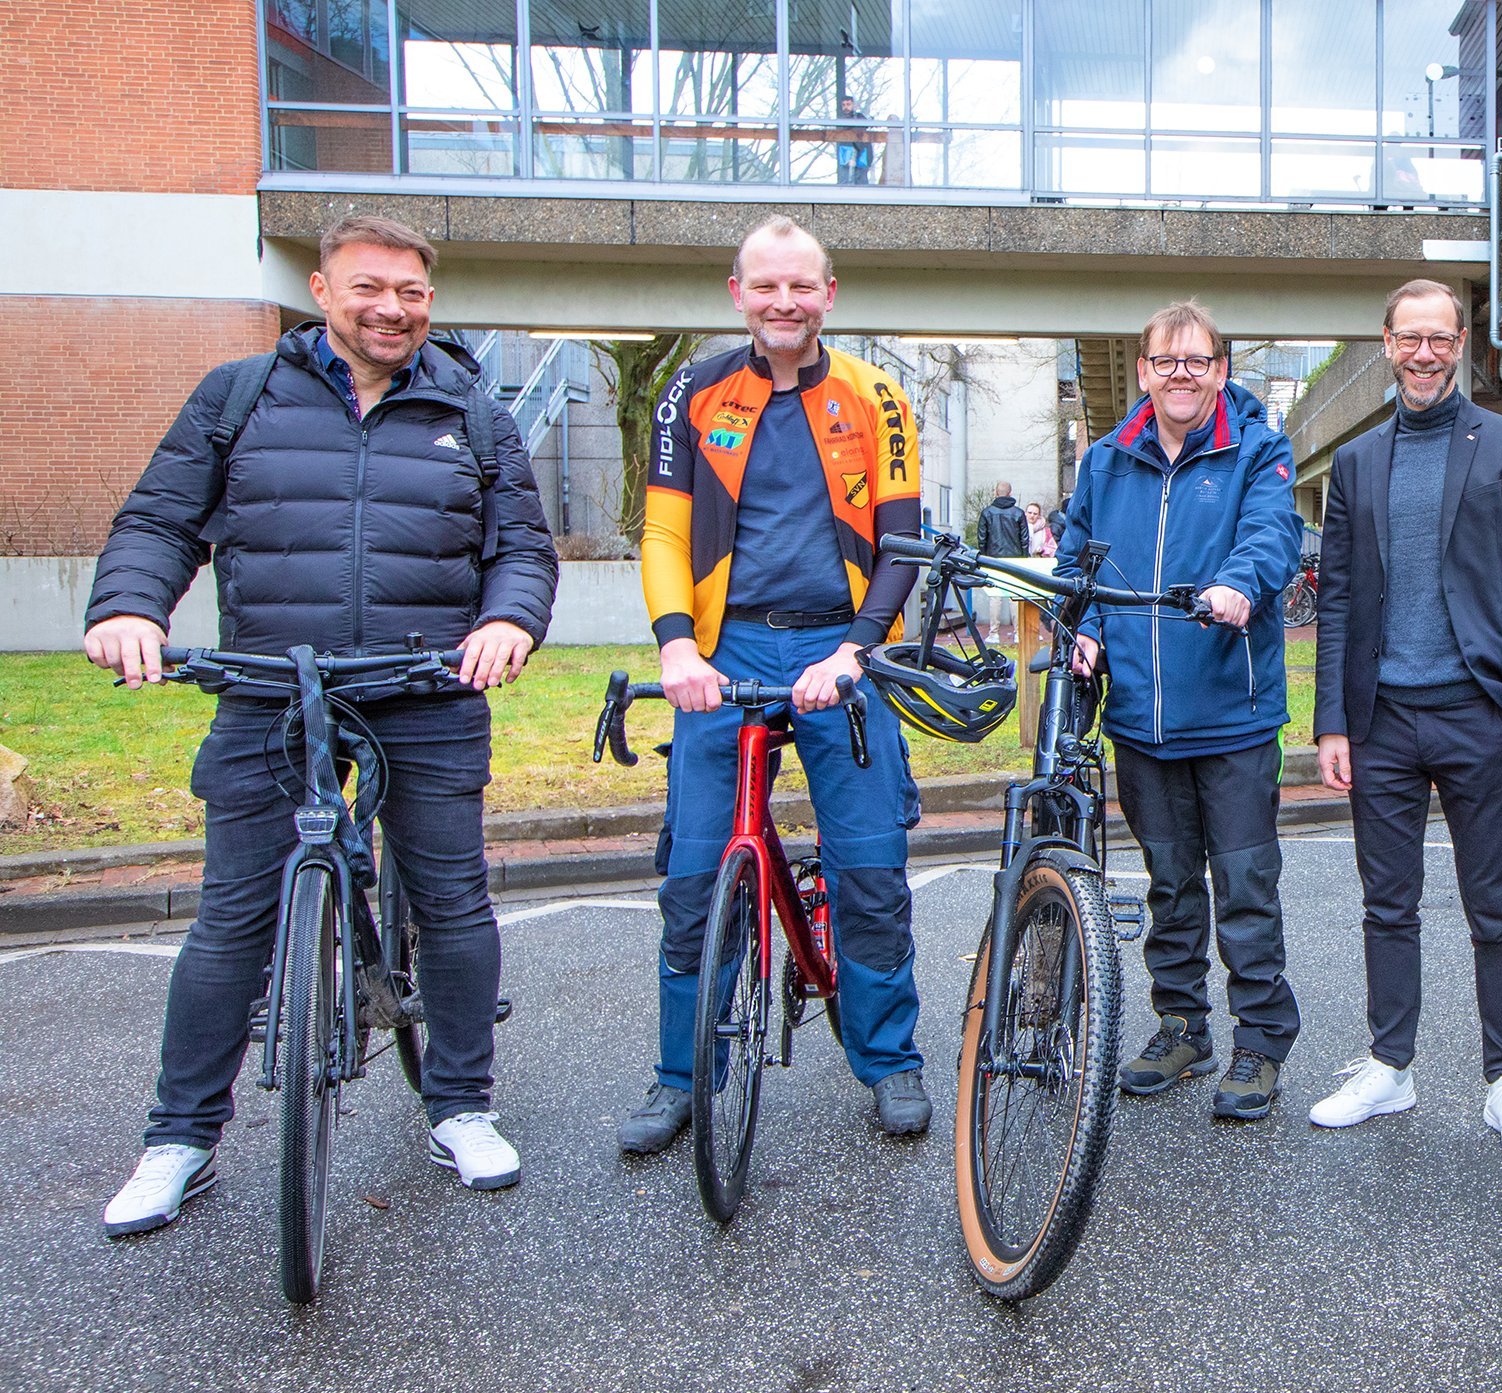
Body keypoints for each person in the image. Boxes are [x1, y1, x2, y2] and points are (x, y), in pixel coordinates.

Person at [85, 215, 558, 1234]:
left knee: (455, 899)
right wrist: (129, 605)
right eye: (369, 287)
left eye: (412, 292)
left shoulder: (471, 409)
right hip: (271, 684)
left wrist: (508, 621)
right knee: (231, 920)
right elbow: (160, 519)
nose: (391, 308)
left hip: (423, 688)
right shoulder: (239, 395)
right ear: (321, 289)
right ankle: (180, 1138)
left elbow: (521, 546)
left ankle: (462, 1105)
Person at [621, 215, 929, 1152]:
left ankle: (889, 1058)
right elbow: (666, 532)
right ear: (737, 293)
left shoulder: (877, 395)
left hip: (842, 645)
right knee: (691, 880)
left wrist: (856, 653)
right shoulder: (691, 391)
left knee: (869, 869)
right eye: (766, 287)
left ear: (828, 294)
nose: (783, 302)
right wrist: (678, 649)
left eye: (801, 286)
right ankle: (684, 1072)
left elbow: (902, 541)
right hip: (727, 649)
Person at [1308, 280, 1502, 1157]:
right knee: (1388, 904)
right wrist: (1331, 722)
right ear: (1385, 342)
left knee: (1495, 905)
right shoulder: (1355, 461)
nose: (1424, 352)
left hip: (1474, 711)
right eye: (1408, 337)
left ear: (1460, 344)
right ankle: (1390, 1065)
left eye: (1439, 338)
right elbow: (1335, 595)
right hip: (1379, 720)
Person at [1055, 299, 1303, 1121]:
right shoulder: (1103, 462)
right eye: (1166, 362)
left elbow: (1271, 536)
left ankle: (1260, 1039)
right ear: (1143, 372)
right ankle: (1181, 1025)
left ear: (1221, 369)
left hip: (1229, 711)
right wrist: (1086, 632)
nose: (1182, 375)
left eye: (1197, 361)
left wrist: (1237, 585)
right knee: (1168, 882)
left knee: (1243, 883)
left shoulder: (1257, 450)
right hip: (1140, 718)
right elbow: (1074, 568)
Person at [976, 481, 1032, 634]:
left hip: (993, 559)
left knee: (995, 597)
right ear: (1010, 493)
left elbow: (982, 538)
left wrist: (984, 558)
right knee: (1015, 596)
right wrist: (1024, 558)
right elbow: (1025, 539)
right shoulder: (1018, 513)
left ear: (996, 492)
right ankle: (1018, 632)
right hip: (1015, 559)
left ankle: (994, 633)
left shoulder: (987, 513)